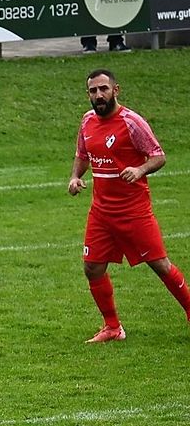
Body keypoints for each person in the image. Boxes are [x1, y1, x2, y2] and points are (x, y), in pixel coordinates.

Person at [68, 69, 190, 342]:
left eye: (103, 89)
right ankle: (112, 327)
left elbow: (158, 156)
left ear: (116, 90)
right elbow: (82, 155)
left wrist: (139, 169)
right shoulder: (87, 121)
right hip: (101, 213)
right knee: (92, 268)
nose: (98, 95)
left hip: (134, 212)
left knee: (160, 265)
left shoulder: (131, 122)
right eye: (93, 91)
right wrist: (76, 177)